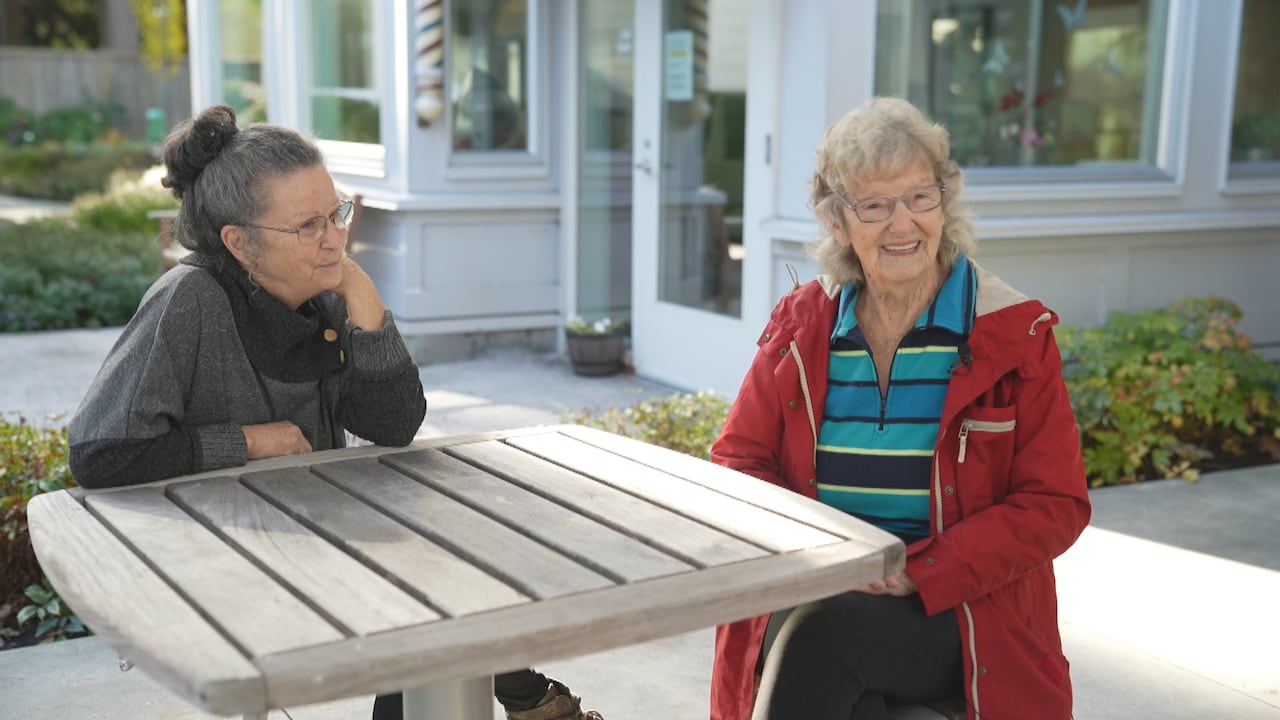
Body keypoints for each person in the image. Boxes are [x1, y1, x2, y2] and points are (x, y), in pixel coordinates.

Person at [67, 104, 602, 720]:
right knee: (440, 589)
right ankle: (530, 697)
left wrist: (362, 298)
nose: (335, 238)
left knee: (456, 569)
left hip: (312, 535)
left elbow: (394, 424)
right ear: (239, 242)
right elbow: (99, 452)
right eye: (308, 225)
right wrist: (250, 442)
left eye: (336, 213)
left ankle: (523, 693)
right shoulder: (187, 302)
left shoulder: (320, 295)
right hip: (224, 564)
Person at [707, 97, 1092, 720]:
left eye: (920, 198)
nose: (903, 224)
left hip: (959, 613)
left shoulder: (1009, 334)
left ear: (945, 203)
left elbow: (1055, 504)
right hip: (819, 586)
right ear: (839, 222)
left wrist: (921, 570)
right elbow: (738, 462)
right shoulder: (802, 325)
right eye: (875, 206)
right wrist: (822, 553)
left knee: (822, 636)